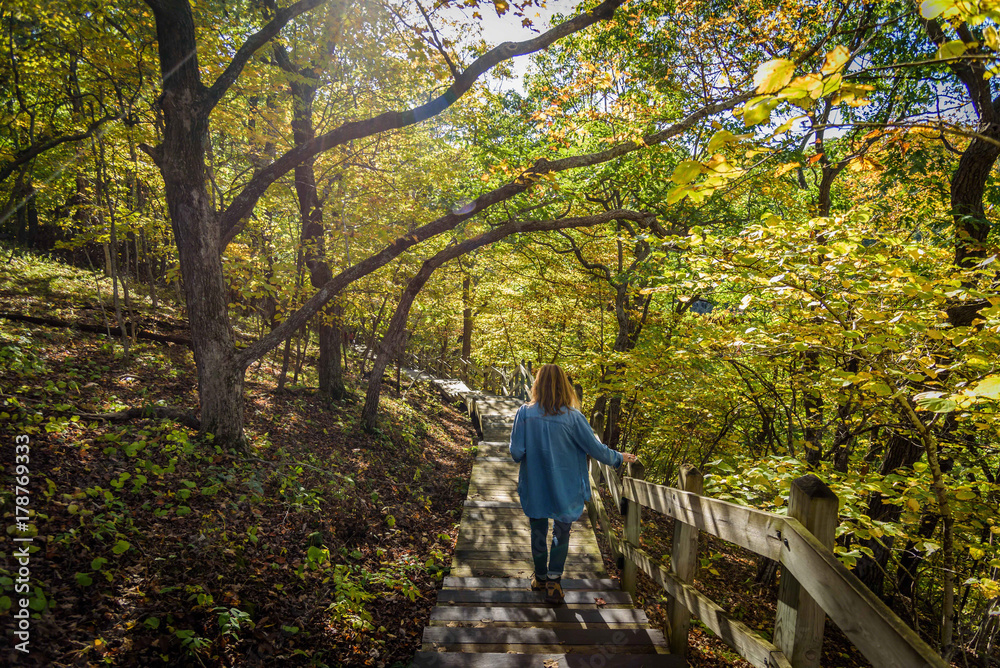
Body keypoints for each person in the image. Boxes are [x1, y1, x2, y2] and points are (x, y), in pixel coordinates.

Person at [508, 364, 638, 604]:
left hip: (536, 484)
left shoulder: (524, 414)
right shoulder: (573, 417)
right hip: (565, 487)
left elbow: (516, 453)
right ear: (564, 385)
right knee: (561, 531)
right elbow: (595, 449)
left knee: (538, 529)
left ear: (537, 384)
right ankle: (554, 583)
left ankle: (539, 577)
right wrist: (619, 458)